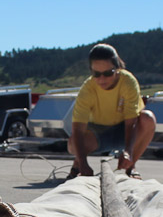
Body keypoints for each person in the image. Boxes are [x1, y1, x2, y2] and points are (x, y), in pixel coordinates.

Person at [67, 43, 157, 180]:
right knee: (73, 143)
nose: (102, 79)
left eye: (108, 73)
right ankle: (77, 165)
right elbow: (78, 130)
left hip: (124, 130)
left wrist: (128, 152)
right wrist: (84, 164)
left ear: (117, 68)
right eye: (96, 74)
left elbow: (131, 123)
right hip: (98, 133)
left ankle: (131, 166)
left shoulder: (128, 82)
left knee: (148, 119)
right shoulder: (87, 89)